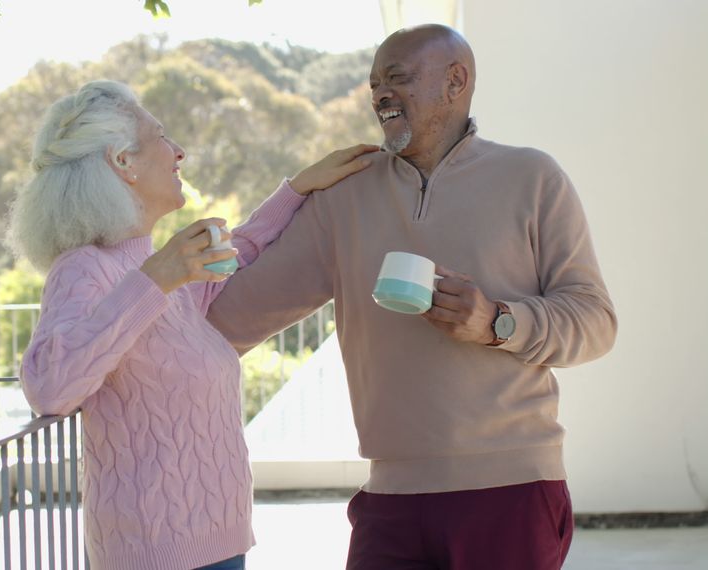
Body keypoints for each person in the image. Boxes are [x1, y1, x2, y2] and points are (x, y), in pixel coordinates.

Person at [206, 25, 618, 570]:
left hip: (514, 488)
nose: (379, 94)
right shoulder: (343, 194)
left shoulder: (533, 177)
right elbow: (228, 317)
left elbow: (595, 320)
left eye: (396, 78)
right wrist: (294, 190)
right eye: (374, 83)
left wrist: (497, 321)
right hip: (391, 499)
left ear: (456, 81)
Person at [7, 79, 377, 570]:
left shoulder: (165, 273)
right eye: (162, 137)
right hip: (153, 557)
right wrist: (156, 278)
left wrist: (298, 187)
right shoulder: (85, 268)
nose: (178, 152)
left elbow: (242, 248)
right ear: (124, 161)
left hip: (222, 544)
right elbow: (50, 387)